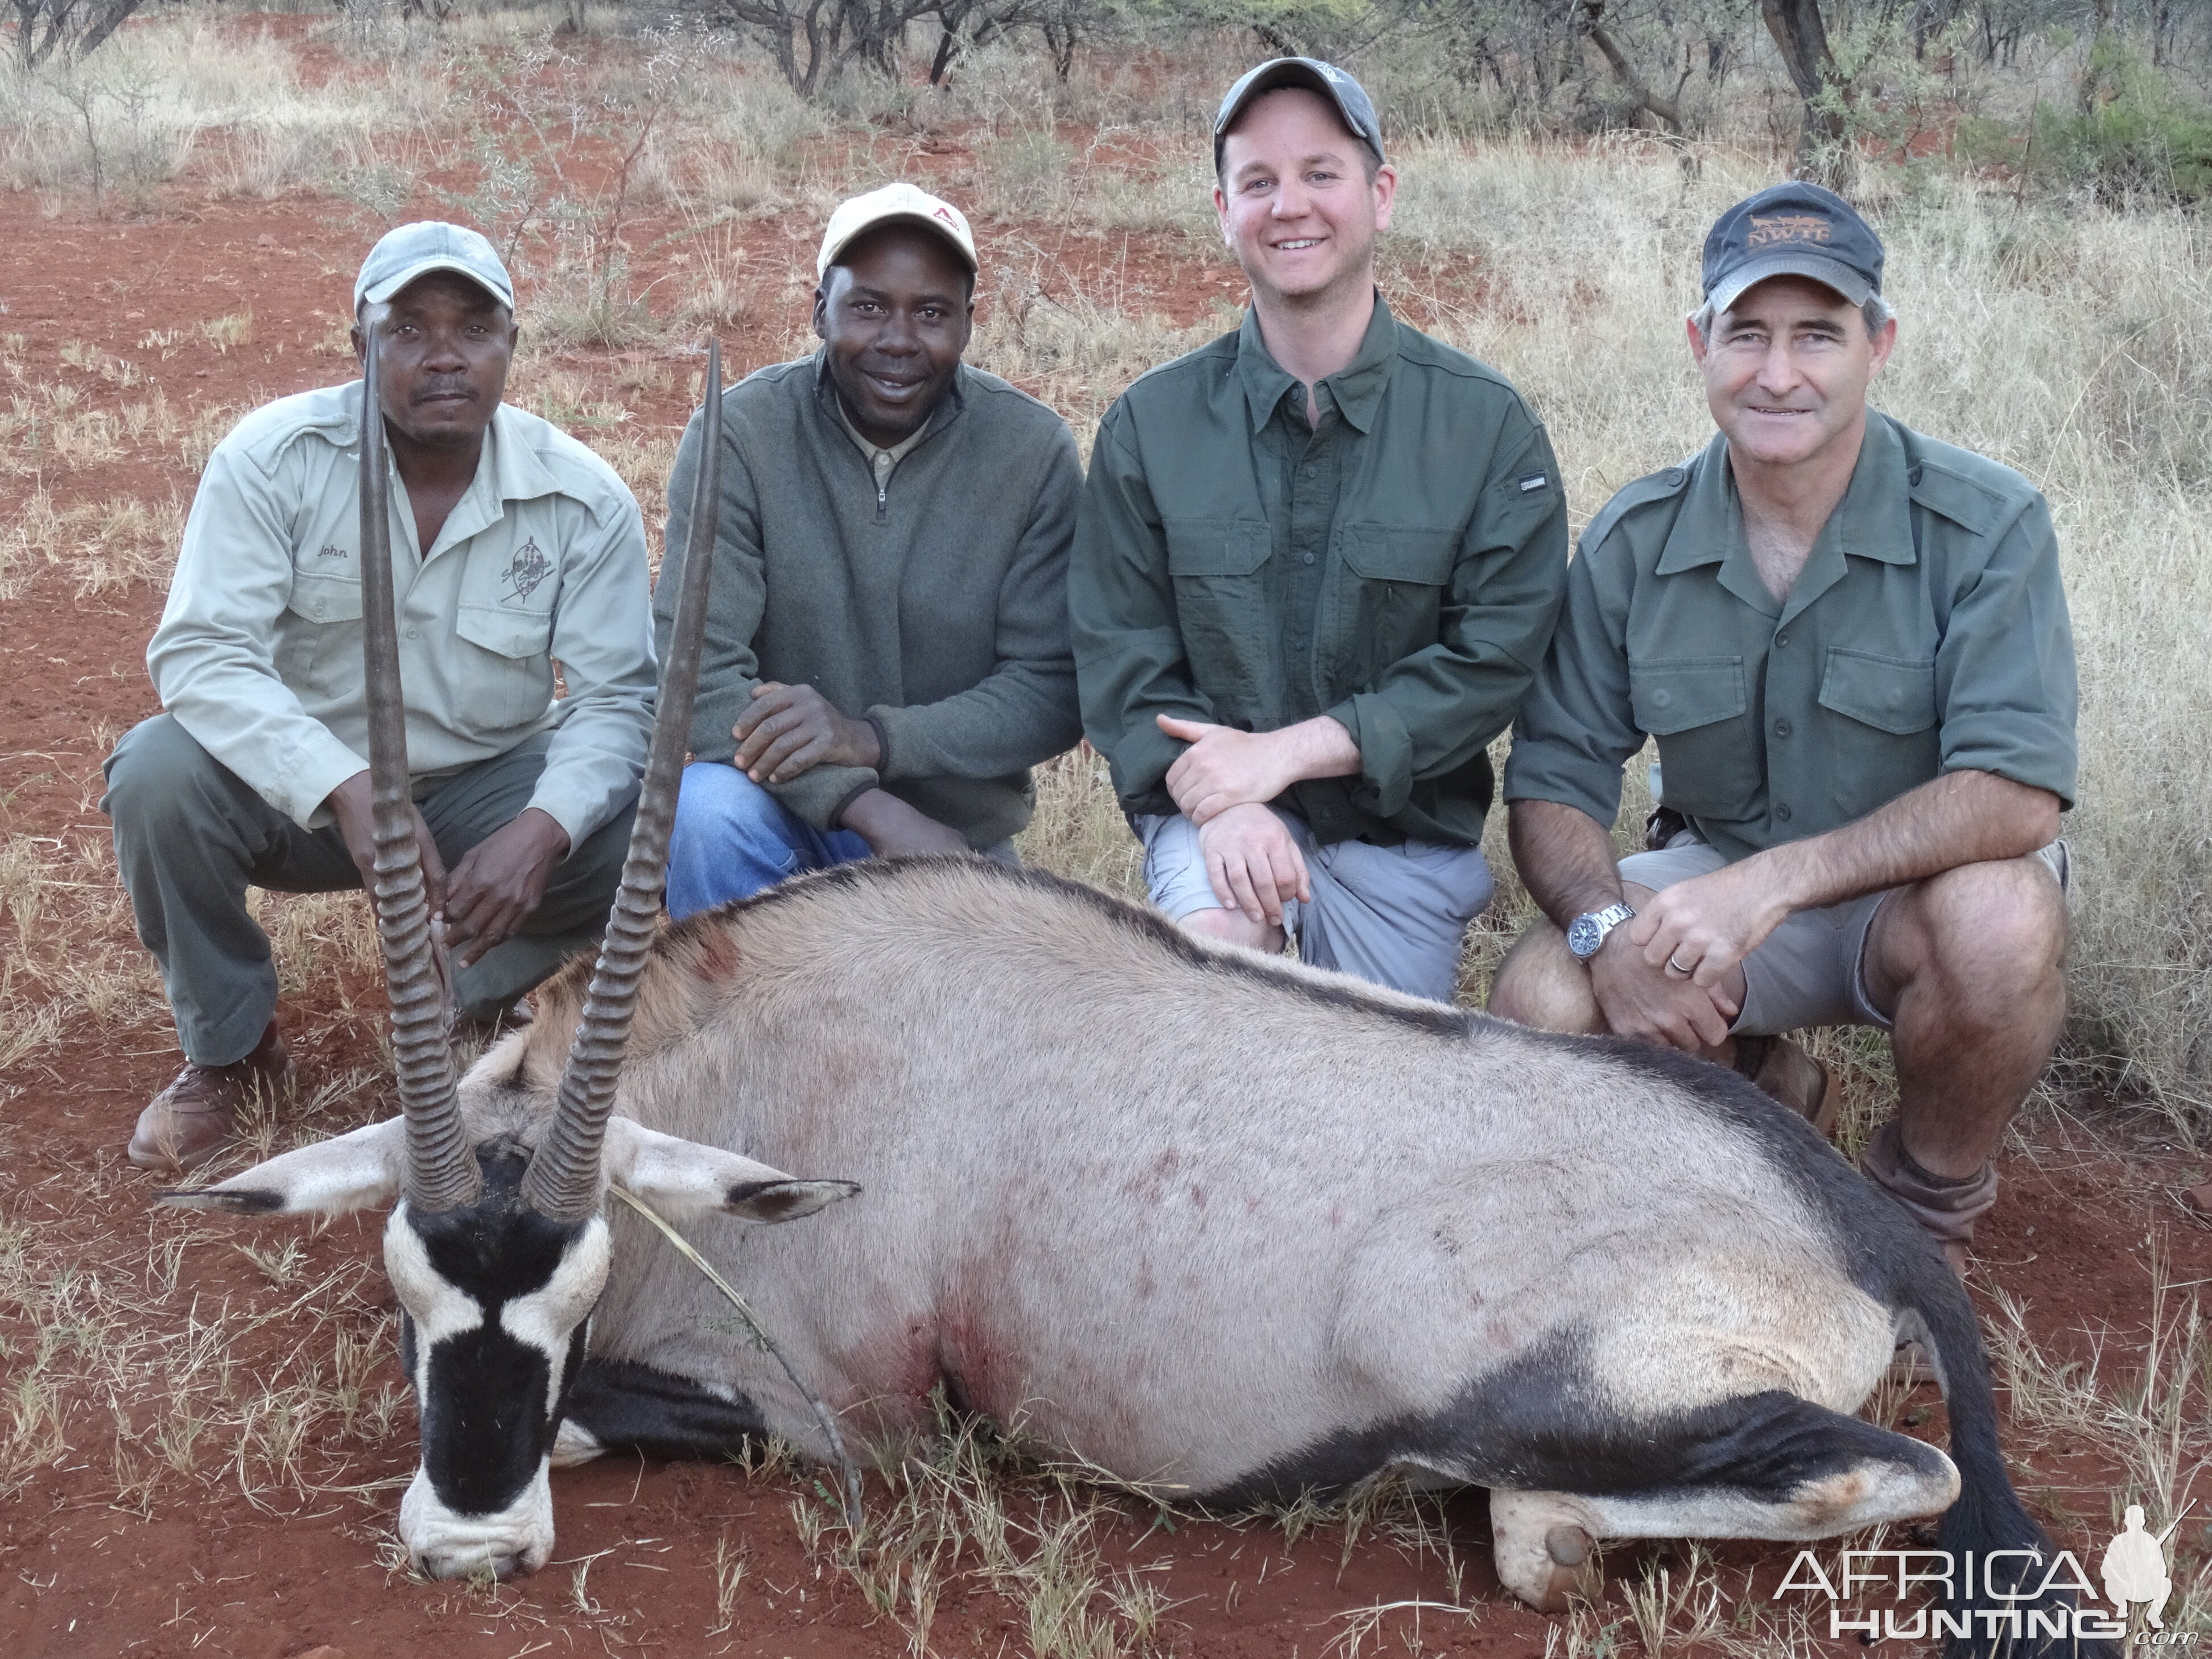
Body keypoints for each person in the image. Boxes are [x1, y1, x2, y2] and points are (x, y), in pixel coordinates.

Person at [1490, 182, 2076, 1274]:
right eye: (1745, 333)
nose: (1776, 373)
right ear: (1698, 343)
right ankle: (1764, 1094)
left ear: (1878, 344)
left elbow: (2014, 791)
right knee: (1540, 998)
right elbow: (1552, 779)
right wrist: (1603, 934)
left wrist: (1770, 884)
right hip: (1718, 881)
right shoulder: (1634, 536)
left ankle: (1916, 1227)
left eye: (1817, 334)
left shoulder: (1985, 523)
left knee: (2001, 923)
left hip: (1913, 895)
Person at [103, 221, 655, 1173]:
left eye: (474, 329)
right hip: (309, 795)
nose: (444, 356)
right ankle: (231, 1051)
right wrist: (345, 788)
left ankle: (481, 984)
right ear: (359, 347)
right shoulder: (271, 459)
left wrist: (541, 830)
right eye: (408, 330)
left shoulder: (583, 497)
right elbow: (201, 652)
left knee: (643, 811)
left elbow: (616, 701)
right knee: (155, 774)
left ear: (512, 347)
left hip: (487, 785)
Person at [1068, 59, 1569, 1003]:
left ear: (1379, 195)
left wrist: (1286, 754)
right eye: (1257, 181)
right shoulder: (1150, 423)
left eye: (1320, 174)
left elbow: (1491, 663)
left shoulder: (1486, 425)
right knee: (1219, 972)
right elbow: (1121, 658)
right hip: (1213, 815)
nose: (1288, 206)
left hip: (1398, 842)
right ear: (1223, 209)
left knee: (1384, 1111)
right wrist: (1219, 798)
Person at [657, 183, 1083, 915]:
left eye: (931, 313)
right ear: (819, 309)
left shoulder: (1033, 450)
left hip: (954, 841)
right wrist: (871, 808)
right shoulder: (740, 431)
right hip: (781, 815)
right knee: (704, 817)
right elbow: (694, 669)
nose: (898, 339)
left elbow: (1051, 691)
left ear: (969, 325)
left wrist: (874, 738)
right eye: (868, 306)